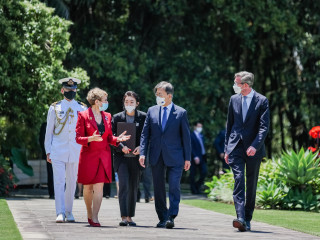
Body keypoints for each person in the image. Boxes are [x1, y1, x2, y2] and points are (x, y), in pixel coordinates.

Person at [139, 81, 191, 229]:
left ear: (169, 96)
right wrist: (142, 153)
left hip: (176, 156)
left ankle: (171, 216)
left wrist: (188, 158)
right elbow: (145, 134)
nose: (157, 97)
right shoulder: (151, 111)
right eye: (156, 94)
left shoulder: (181, 113)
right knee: (159, 188)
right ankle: (162, 217)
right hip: (156, 155)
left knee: (174, 186)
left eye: (160, 94)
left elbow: (186, 137)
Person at [75, 87, 130, 227]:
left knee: (99, 187)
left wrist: (118, 139)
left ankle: (95, 217)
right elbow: (78, 138)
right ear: (97, 101)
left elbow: (109, 138)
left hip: (103, 157)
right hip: (88, 157)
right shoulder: (83, 115)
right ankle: (89, 213)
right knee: (88, 189)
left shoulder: (108, 116)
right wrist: (90, 138)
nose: (107, 102)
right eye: (105, 100)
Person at [224, 71, 269, 232]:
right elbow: (229, 126)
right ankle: (240, 217)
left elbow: (264, 127)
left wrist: (255, 145)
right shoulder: (233, 99)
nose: (234, 86)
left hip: (253, 149)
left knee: (251, 183)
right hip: (235, 146)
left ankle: (247, 219)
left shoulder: (262, 101)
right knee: (238, 178)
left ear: (246, 85)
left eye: (237, 83)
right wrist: (226, 149)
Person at [44, 77, 87, 223]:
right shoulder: (54, 107)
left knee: (72, 182)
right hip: (58, 150)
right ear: (62, 90)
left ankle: (69, 211)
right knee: (59, 181)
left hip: (75, 151)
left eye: (73, 90)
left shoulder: (82, 108)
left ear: (76, 90)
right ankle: (60, 212)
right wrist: (48, 151)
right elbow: (49, 132)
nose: (70, 92)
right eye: (68, 90)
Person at [112, 91, 146, 226]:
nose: (129, 104)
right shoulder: (117, 117)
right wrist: (121, 147)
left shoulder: (143, 117)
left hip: (136, 159)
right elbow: (112, 137)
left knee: (133, 187)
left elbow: (147, 136)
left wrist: (141, 147)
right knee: (124, 185)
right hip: (121, 158)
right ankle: (123, 217)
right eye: (126, 102)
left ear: (137, 103)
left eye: (132, 102)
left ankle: (130, 216)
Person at [190, 121, 208, 194]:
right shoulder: (191, 136)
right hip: (194, 157)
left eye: (201, 126)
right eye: (198, 126)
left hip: (202, 156)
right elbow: (191, 147)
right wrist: (195, 156)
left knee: (204, 172)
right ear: (195, 127)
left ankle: (197, 186)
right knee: (193, 173)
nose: (200, 128)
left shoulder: (201, 136)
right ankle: (193, 189)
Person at [39, 122, 54, 199]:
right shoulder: (45, 125)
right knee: (50, 173)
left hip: (60, 152)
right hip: (49, 153)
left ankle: (60, 193)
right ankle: (51, 193)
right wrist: (46, 152)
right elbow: (41, 139)